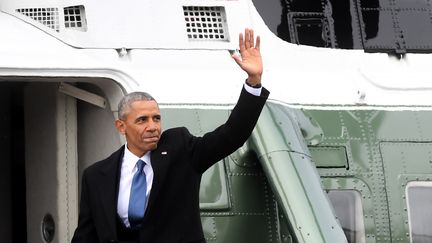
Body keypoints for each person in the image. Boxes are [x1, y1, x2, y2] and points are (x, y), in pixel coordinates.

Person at [71, 28, 270, 243]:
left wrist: (253, 81)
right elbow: (85, 236)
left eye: (156, 118)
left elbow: (231, 135)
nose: (152, 126)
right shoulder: (96, 175)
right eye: (142, 120)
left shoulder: (181, 150)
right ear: (121, 126)